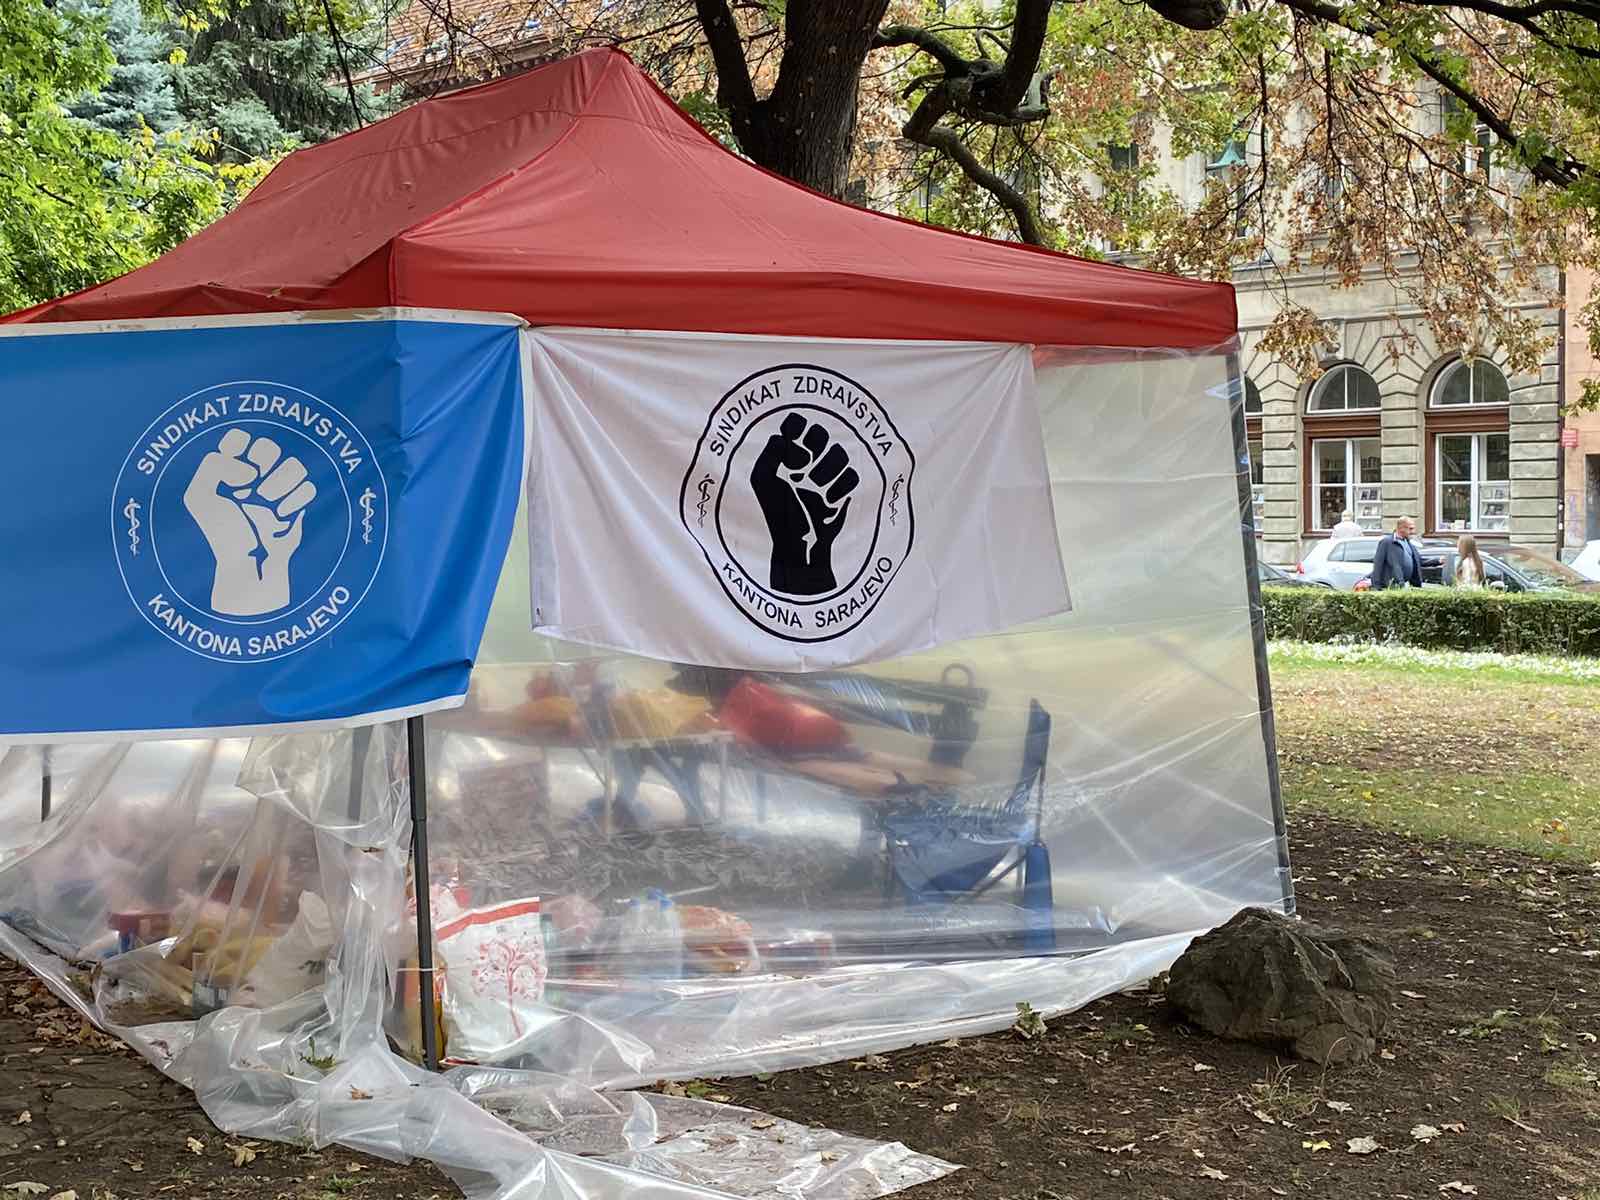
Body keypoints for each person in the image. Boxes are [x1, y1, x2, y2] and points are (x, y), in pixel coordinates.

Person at [1367, 516, 1423, 590]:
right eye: (1410, 529)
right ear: (1401, 528)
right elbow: (1378, 565)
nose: (1413, 532)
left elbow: (1418, 560)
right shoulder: (1387, 542)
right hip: (1390, 587)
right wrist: (1376, 587)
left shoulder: (1408, 543)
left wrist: (1438, 561)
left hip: (1405, 585)